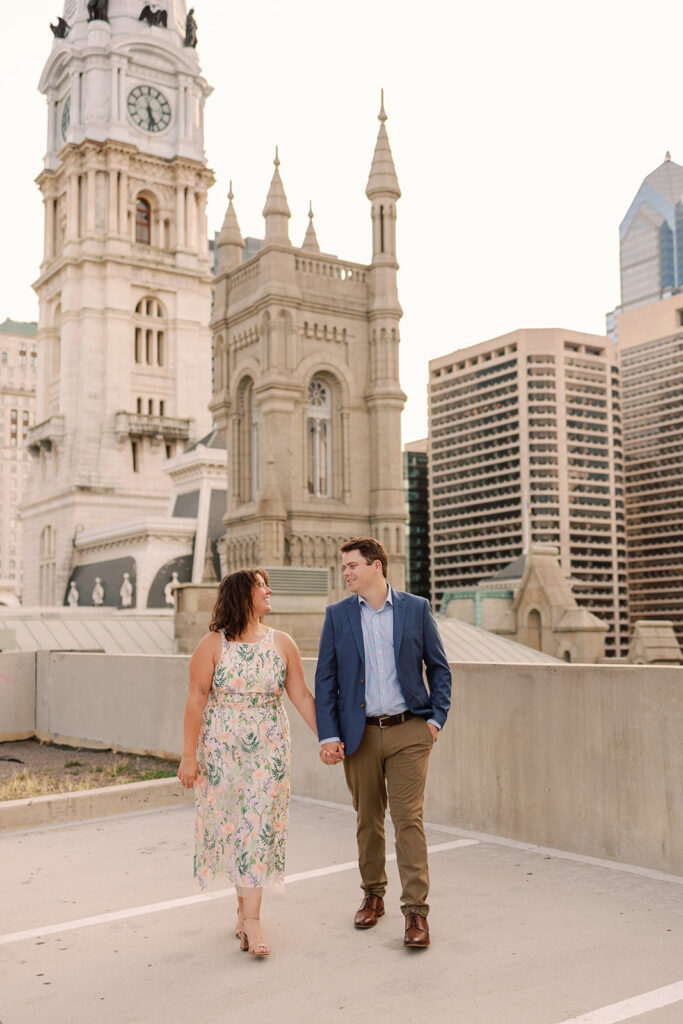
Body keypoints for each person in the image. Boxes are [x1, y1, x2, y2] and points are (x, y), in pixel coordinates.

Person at [315, 537, 452, 949]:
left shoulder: (416, 608)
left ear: (377, 566)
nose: (347, 573)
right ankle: (373, 894)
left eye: (353, 566)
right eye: (343, 568)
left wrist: (436, 721)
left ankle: (416, 914)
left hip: (410, 729)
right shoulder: (337, 616)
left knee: (408, 819)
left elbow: (439, 668)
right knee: (367, 817)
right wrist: (330, 733)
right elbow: (325, 680)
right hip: (358, 734)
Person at [178, 568, 317, 957]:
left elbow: (303, 697)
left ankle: (252, 924)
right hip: (221, 753)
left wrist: (329, 737)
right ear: (242, 595)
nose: (269, 590)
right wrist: (189, 757)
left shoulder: (282, 643)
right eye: (261, 586)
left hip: (269, 751)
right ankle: (244, 910)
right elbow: (195, 701)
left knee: (256, 829)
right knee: (235, 830)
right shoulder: (212, 645)